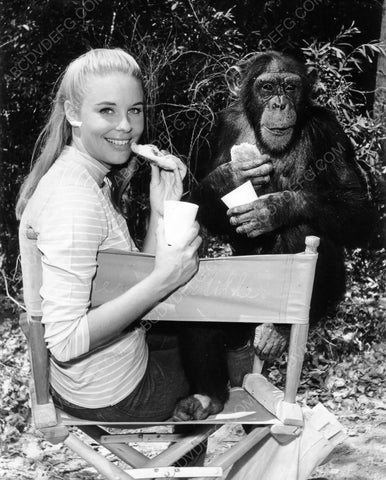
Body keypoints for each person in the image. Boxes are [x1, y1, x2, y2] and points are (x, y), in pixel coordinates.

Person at [16, 48, 202, 423]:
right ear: (72, 113)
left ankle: (181, 460)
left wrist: (161, 210)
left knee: (202, 337)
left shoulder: (87, 179)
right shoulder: (75, 201)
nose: (126, 126)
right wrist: (165, 280)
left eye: (134, 110)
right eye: (107, 111)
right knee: (232, 362)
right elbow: (65, 343)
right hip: (113, 391)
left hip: (106, 371)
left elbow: (131, 278)